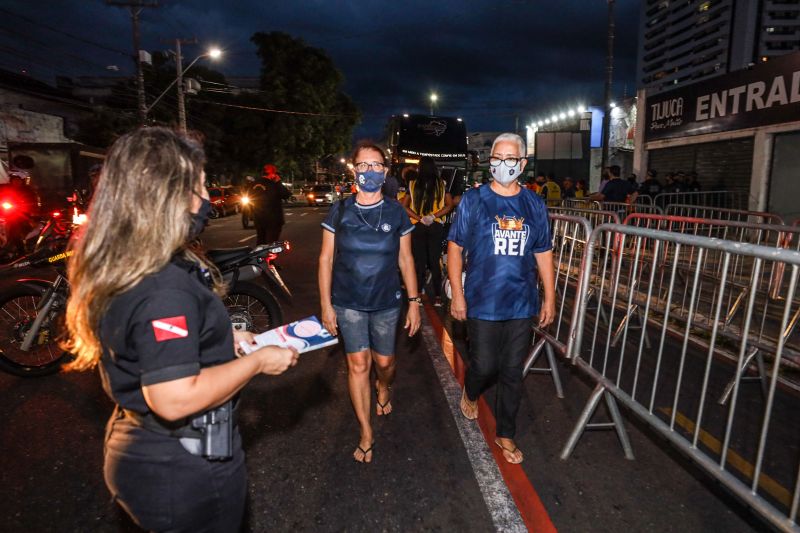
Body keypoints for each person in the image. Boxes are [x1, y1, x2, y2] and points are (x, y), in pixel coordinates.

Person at [62, 127, 298, 531]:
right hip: (183, 466)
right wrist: (258, 361)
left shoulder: (135, 264)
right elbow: (173, 398)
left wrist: (228, 340)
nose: (207, 198)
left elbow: (156, 351)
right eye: (200, 185)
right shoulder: (162, 286)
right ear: (168, 196)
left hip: (161, 451)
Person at [447, 132, 555, 465]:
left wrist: (549, 297)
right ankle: (472, 389)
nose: (502, 164)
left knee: (511, 371)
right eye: (497, 158)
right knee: (485, 365)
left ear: (522, 164)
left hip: (521, 301)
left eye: (510, 159)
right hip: (482, 301)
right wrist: (458, 295)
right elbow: (455, 249)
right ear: (488, 161)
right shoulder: (474, 200)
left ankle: (506, 433)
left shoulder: (533, 203)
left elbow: (543, 252)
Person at [318, 141, 421, 464]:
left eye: (377, 166)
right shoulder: (341, 210)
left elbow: (406, 260)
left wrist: (415, 301)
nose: (370, 171)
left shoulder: (396, 211)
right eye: (364, 166)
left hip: (387, 301)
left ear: (386, 172)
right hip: (347, 301)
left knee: (385, 363)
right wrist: (325, 305)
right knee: (357, 365)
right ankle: (365, 431)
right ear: (355, 170)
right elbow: (325, 260)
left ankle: (385, 386)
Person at [401, 157, 454, 306]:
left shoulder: (412, 184)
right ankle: (437, 297)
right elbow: (449, 205)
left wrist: (419, 218)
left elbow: (404, 206)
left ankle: (417, 296)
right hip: (435, 225)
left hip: (418, 226)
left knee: (419, 262)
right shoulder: (442, 184)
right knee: (434, 262)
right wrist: (433, 216)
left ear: (420, 168)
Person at [250, 164, 292, 244]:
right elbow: (286, 195)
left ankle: (259, 255)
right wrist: (278, 182)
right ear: (272, 174)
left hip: (259, 218)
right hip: (273, 219)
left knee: (261, 240)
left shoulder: (254, 184)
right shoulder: (273, 184)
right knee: (271, 242)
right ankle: (268, 255)